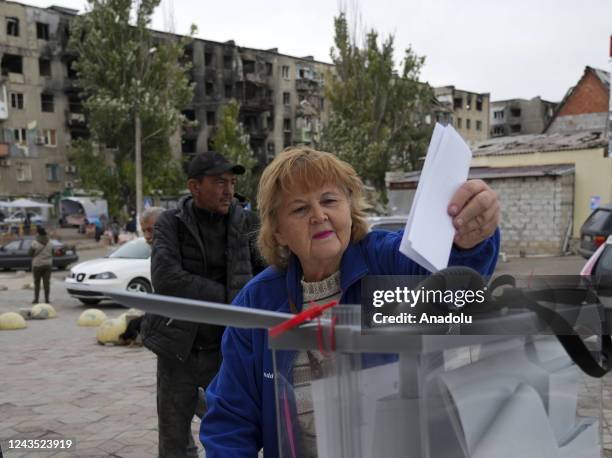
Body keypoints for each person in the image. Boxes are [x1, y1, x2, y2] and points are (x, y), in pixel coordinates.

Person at [200, 146, 501, 457]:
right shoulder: (258, 301)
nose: (319, 216)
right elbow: (231, 420)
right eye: (300, 209)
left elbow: (449, 274)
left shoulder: (383, 261)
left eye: (329, 200)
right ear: (278, 232)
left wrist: (470, 238)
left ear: (349, 207)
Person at [142, 150, 266, 458]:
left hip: (228, 347)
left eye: (232, 182)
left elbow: (265, 276)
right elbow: (167, 278)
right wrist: (230, 297)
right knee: (173, 437)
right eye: (220, 182)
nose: (229, 190)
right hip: (178, 347)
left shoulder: (249, 222)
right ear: (194, 187)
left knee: (233, 429)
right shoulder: (170, 223)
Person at [28, 225, 53, 304]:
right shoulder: (50, 242)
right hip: (48, 265)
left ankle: (36, 299)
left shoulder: (35, 243)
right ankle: (47, 299)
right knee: (47, 282)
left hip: (37, 265)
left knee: (37, 282)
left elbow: (29, 253)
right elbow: (53, 253)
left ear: (38, 233)